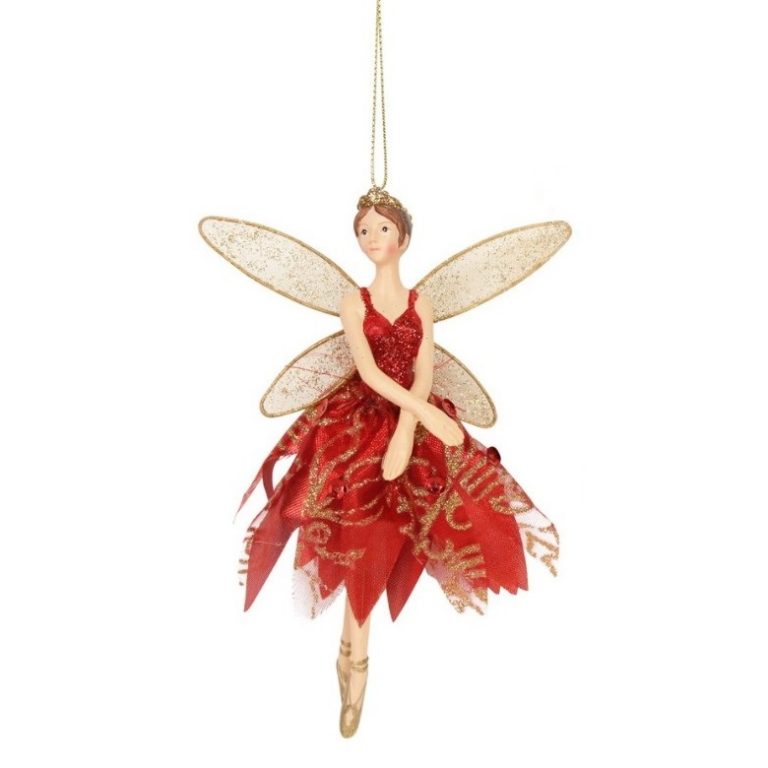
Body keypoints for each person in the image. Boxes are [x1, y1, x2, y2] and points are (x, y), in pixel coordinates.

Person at [235, 188, 559, 738]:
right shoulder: (354, 303)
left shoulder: (420, 304)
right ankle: (354, 660)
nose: (372, 238)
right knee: (358, 530)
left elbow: (424, 370)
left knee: (415, 524)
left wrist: (411, 427)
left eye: (382, 228)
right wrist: (420, 415)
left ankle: (352, 655)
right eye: (363, 230)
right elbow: (368, 373)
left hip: (412, 422)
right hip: (358, 425)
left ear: (403, 237)